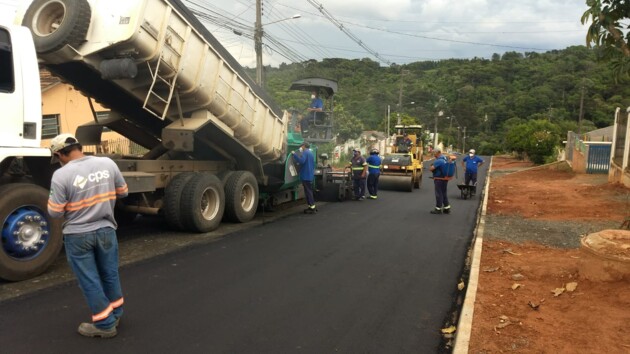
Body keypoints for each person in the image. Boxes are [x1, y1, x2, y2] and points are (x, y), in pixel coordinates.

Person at [47, 133, 129, 338]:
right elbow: (124, 191)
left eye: (57, 158)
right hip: (107, 231)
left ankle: (104, 324)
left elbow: (54, 212)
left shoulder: (61, 175)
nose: (58, 162)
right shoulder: (107, 163)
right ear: (78, 147)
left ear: (60, 154)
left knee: (89, 280)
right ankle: (116, 313)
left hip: (78, 236)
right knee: (109, 274)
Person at [291, 141, 316, 211]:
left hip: (306, 176)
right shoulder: (311, 153)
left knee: (308, 192)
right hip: (310, 175)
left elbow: (302, 161)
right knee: (309, 191)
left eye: (301, 146)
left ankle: (312, 207)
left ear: (304, 146)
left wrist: (294, 155)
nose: (301, 147)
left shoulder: (305, 152)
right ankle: (311, 206)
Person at [429, 148, 451, 214]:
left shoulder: (439, 161)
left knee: (438, 194)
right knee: (444, 193)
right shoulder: (444, 158)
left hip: (439, 179)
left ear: (438, 152)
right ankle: (447, 208)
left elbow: (431, 168)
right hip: (445, 179)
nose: (433, 154)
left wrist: (432, 166)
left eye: (434, 153)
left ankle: (438, 208)